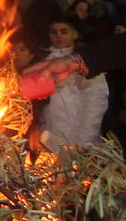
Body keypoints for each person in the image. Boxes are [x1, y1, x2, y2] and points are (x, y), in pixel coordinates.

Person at [39, 16, 108, 151]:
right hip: (52, 139)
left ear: (74, 34)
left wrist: (85, 141)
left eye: (64, 31)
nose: (58, 36)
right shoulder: (42, 64)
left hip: (79, 136)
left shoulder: (86, 62)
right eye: (54, 32)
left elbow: (95, 101)